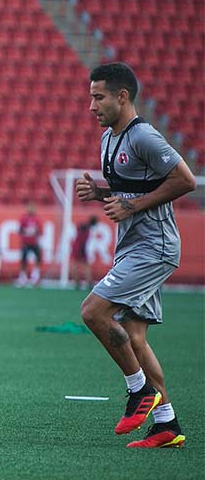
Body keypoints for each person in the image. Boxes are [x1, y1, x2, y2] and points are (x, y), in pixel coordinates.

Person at [77, 62, 196, 448]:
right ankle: (167, 425)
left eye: (98, 97)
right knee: (135, 337)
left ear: (122, 96)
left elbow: (185, 179)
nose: (91, 105)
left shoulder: (144, 136)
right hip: (133, 245)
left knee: (93, 312)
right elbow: (127, 186)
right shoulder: (109, 138)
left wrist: (133, 207)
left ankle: (139, 390)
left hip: (154, 246)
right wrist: (100, 194)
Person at [16, 203, 43, 287]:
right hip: (25, 242)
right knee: (24, 260)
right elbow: (20, 230)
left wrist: (35, 232)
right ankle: (22, 277)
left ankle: (35, 276)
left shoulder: (37, 219)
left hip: (34, 242)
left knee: (38, 258)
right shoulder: (24, 218)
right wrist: (26, 232)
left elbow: (40, 231)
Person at [71, 215, 98, 290]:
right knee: (83, 265)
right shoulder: (87, 228)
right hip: (80, 247)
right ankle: (87, 282)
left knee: (75, 264)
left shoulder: (84, 226)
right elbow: (82, 240)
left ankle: (77, 282)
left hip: (77, 246)